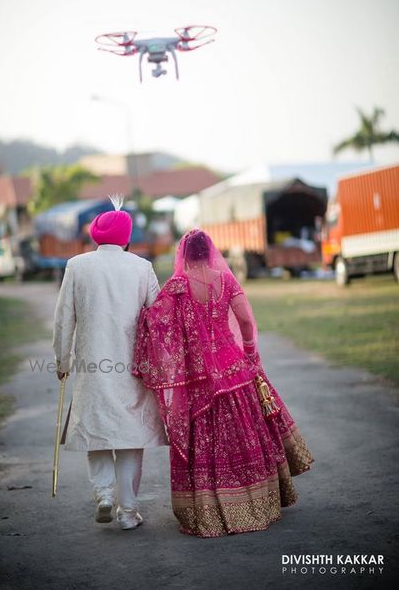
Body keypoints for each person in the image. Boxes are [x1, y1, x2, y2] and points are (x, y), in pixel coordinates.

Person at [133, 229, 314, 538]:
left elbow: (157, 324)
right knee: (246, 433)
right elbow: (245, 320)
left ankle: (209, 512)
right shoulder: (226, 280)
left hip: (199, 378)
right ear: (210, 252)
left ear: (185, 256)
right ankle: (260, 503)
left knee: (207, 440)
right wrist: (250, 353)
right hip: (234, 368)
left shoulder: (177, 287)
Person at [53, 195, 167, 530]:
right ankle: (128, 513)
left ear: (95, 236)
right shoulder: (142, 268)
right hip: (133, 367)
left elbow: (64, 318)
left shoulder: (77, 265)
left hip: (92, 365)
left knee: (97, 432)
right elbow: (159, 317)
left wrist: (62, 359)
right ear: (128, 238)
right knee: (130, 437)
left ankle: (104, 494)